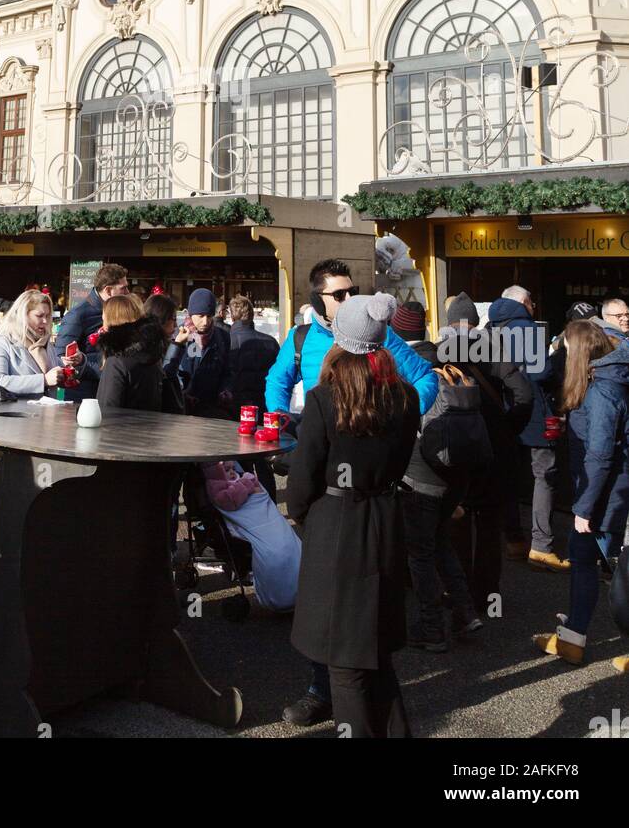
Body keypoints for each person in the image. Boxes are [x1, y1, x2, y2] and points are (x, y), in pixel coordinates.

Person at [285, 293, 419, 736]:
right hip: (385, 521)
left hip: (336, 527)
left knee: (345, 661)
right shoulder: (405, 397)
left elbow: (303, 476)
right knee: (374, 652)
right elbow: (398, 464)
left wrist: (302, 514)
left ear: (341, 340)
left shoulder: (325, 399)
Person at [534, 319, 629, 673]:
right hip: (601, 491)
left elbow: (601, 454)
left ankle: (574, 635)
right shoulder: (600, 385)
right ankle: (573, 635)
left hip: (605, 494)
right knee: (585, 560)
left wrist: (584, 507)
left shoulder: (603, 391)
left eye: (567, 348)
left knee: (613, 571)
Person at [393, 300, 482, 651]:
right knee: (441, 542)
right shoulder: (447, 362)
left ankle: (431, 627)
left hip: (420, 477)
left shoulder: (407, 371)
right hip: (456, 475)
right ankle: (466, 612)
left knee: (420, 553)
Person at [265, 260, 438, 423]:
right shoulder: (299, 337)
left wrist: (402, 418)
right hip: (319, 444)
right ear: (318, 301)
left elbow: (424, 376)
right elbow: (277, 381)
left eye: (352, 292)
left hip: (368, 443)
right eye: (339, 295)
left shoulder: (380, 334)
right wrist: (281, 418)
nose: (349, 299)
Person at [447, 291, 533, 614]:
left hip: (454, 450)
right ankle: (488, 598)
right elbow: (523, 395)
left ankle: (459, 595)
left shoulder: (441, 352)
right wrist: (508, 427)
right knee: (487, 524)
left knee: (456, 521)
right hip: (493, 449)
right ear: (475, 321)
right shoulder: (493, 348)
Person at [489, 285, 568, 571]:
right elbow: (541, 372)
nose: (533, 305)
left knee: (509, 478)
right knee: (543, 477)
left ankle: (513, 540)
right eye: (532, 301)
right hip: (533, 413)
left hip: (503, 414)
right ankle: (541, 546)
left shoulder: (489, 328)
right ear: (524, 302)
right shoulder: (528, 329)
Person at [202, 460, 301, 611]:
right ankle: (284, 594)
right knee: (277, 550)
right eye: (227, 471)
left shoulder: (239, 477)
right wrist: (247, 484)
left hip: (265, 516)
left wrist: (246, 482)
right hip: (253, 520)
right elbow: (229, 500)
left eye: (232, 469)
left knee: (289, 544)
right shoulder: (217, 487)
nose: (232, 472)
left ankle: (295, 588)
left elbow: (257, 491)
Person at [53, 263, 130, 399]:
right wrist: (86, 363)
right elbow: (62, 357)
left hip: (112, 389)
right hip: (85, 395)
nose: (127, 292)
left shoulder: (118, 311)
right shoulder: (78, 315)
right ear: (108, 290)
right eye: (123, 288)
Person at [96, 294, 181, 413]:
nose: (102, 326)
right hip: (151, 429)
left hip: (120, 429)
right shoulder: (153, 355)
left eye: (104, 320)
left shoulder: (117, 362)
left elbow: (107, 410)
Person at [0, 290, 61, 398]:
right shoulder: (0, 343)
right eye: (39, 315)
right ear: (23, 315)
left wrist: (74, 364)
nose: (45, 321)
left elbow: (56, 369)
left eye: (47, 316)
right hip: (14, 413)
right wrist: (43, 380)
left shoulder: (45, 342)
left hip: (47, 412)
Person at [181, 288, 231, 416]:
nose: (205, 321)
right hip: (184, 409)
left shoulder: (223, 337)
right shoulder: (180, 337)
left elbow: (227, 371)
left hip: (213, 409)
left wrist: (225, 391)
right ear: (191, 314)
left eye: (209, 316)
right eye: (200, 316)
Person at [227, 293, 279, 415]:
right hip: (263, 403)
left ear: (232, 316)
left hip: (233, 405)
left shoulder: (226, 340)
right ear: (252, 314)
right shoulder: (270, 342)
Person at [142, 292, 188, 413]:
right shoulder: (147, 346)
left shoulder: (160, 341)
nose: (176, 325)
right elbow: (165, 375)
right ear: (162, 319)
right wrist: (177, 345)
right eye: (174, 319)